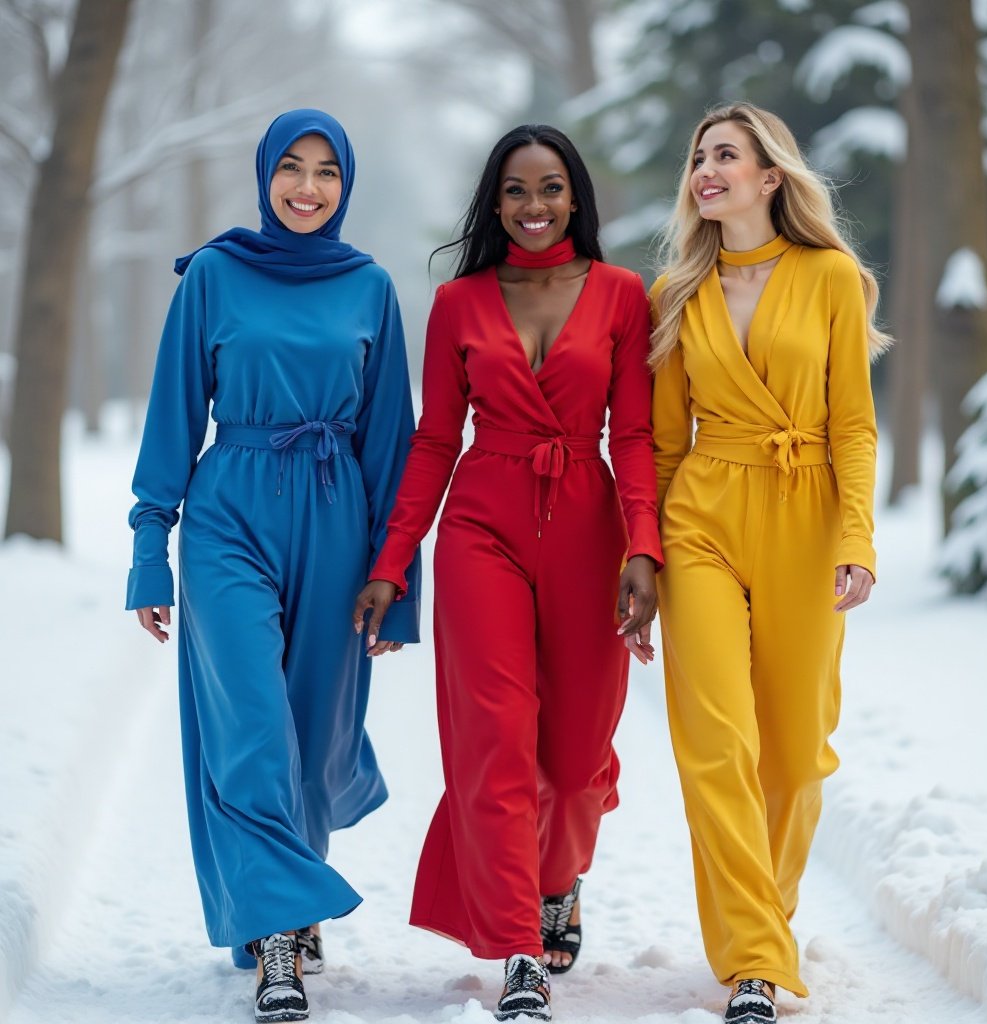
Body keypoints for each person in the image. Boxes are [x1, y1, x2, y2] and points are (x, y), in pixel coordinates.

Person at [352, 124, 662, 1021]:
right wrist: (393, 560)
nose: (534, 206)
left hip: (589, 529)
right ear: (495, 201)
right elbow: (434, 440)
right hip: (482, 526)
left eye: (551, 188)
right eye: (517, 190)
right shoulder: (458, 302)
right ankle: (519, 946)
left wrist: (643, 547)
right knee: (494, 744)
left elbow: (635, 435)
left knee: (574, 760)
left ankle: (560, 879)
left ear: (575, 198)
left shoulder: (621, 293)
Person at [126, 109, 420, 1024]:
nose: (307, 186)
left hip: (337, 518)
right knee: (251, 725)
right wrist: (148, 548)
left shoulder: (369, 286)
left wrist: (399, 579)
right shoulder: (214, 275)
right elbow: (174, 414)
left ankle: (292, 889)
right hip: (230, 515)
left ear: (346, 186)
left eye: (326, 171)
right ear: (265, 177)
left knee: (316, 734)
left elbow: (391, 442)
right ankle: (278, 936)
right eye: (291, 167)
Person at [648, 102, 888, 1024]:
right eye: (698, 156)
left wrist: (858, 536)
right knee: (718, 745)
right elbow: (665, 446)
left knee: (792, 754)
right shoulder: (676, 291)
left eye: (726, 155)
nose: (706, 170)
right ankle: (755, 961)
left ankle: (764, 923)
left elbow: (854, 425)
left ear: (770, 177)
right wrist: (644, 555)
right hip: (702, 516)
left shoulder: (829, 277)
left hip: (807, 512)